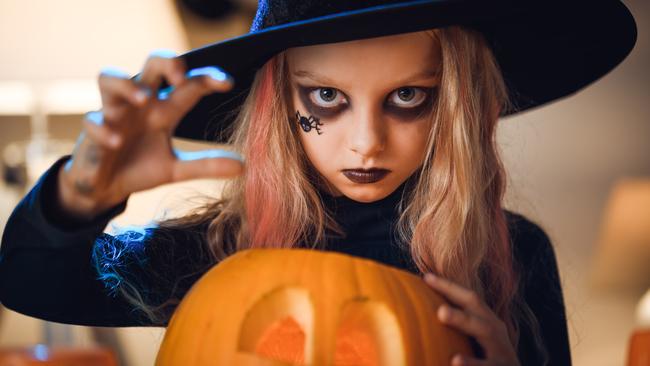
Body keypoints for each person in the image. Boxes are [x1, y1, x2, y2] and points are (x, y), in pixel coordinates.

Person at [0, 1, 637, 365]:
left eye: (409, 96)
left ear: (457, 106)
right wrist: (80, 197)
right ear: (282, 105)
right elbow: (30, 283)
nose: (365, 141)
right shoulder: (220, 249)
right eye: (326, 97)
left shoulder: (513, 257)